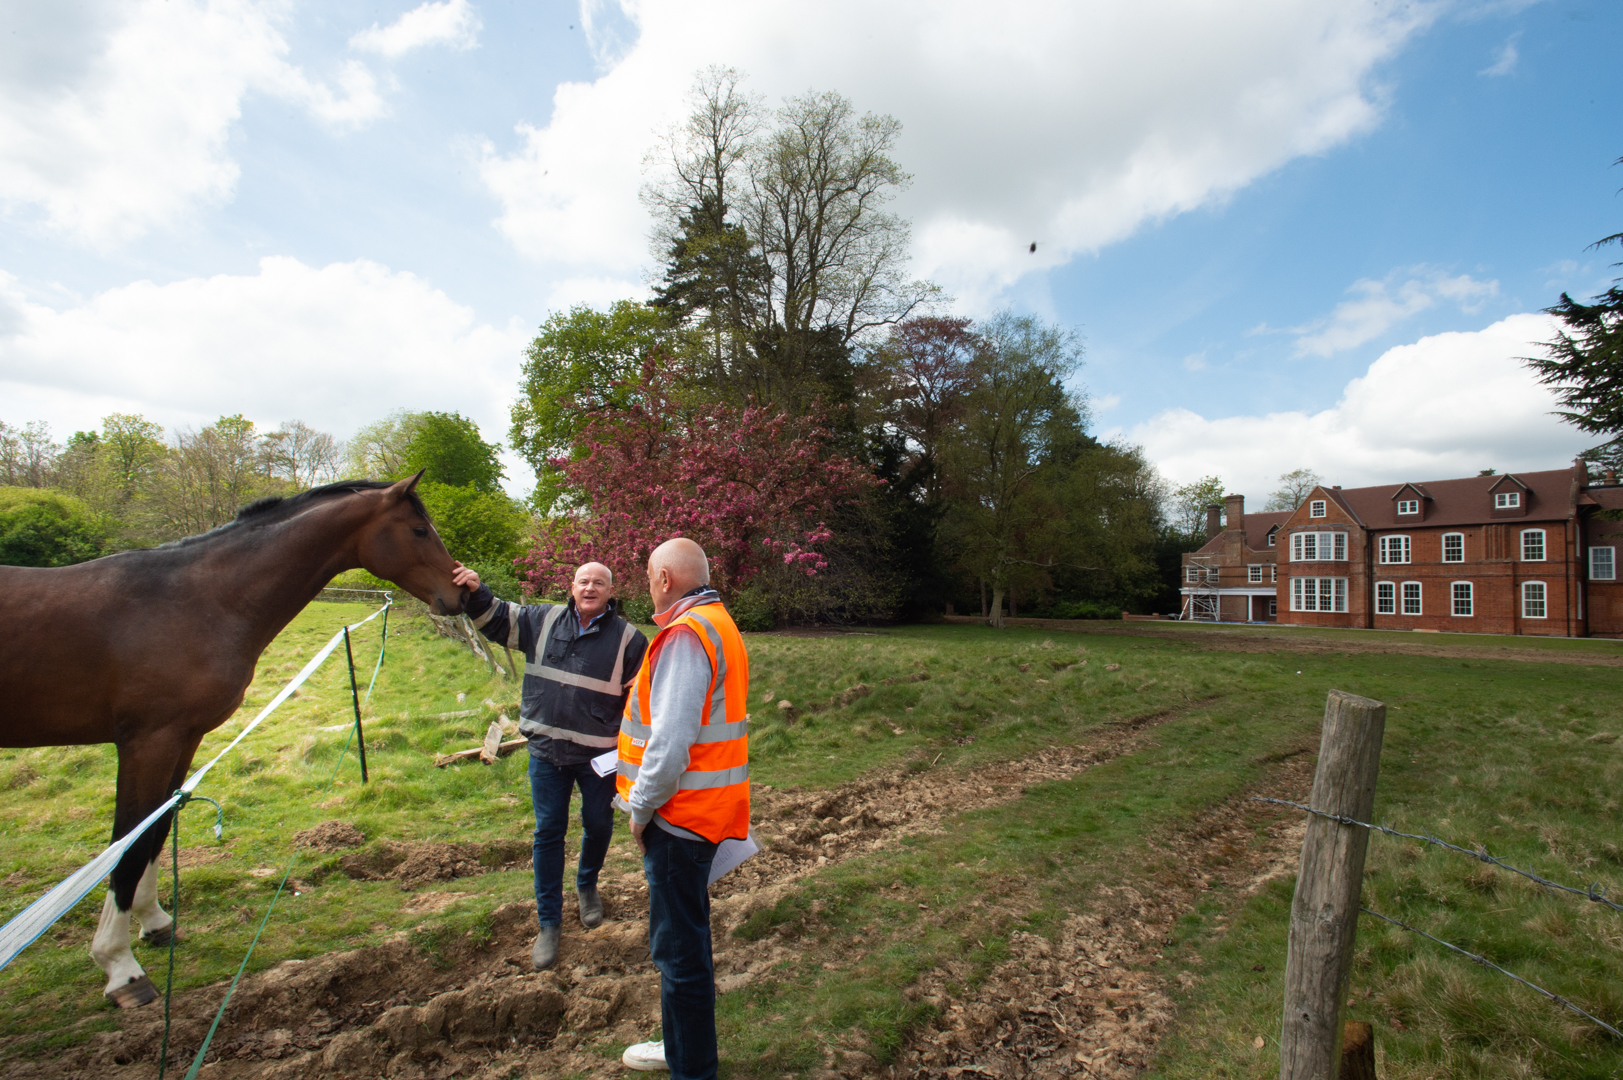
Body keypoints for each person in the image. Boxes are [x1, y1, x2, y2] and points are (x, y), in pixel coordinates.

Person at [450, 559, 648, 970]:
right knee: (548, 833)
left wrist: (635, 758)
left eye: (599, 583)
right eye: (583, 581)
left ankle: (587, 885)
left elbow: (640, 704)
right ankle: (549, 923)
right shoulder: (543, 618)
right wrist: (474, 590)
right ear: (571, 587)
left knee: (597, 825)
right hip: (546, 752)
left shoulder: (630, 640)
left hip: (599, 758)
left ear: (612, 592)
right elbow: (498, 619)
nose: (590, 588)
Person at [616, 538, 750, 1078]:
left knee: (679, 954)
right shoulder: (719, 622)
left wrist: (640, 809)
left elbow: (669, 744)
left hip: (679, 820)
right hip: (705, 813)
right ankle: (682, 1048)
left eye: (649, 576)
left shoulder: (685, 634)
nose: (648, 585)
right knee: (683, 946)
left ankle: (692, 1067)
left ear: (666, 579)